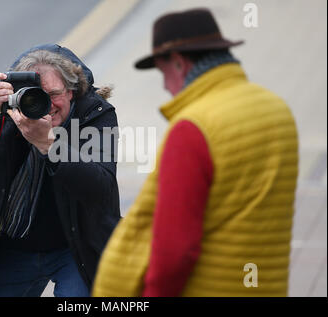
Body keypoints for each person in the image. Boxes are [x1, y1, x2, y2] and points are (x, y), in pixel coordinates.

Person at [93, 8, 298, 297]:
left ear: (178, 63)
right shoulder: (276, 109)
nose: (165, 85)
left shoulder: (193, 128)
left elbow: (175, 250)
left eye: (162, 72)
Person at [0, 44, 121, 297]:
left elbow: (100, 189)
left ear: (72, 92)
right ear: (17, 95)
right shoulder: (5, 113)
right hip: (10, 246)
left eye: (54, 94)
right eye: (36, 96)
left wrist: (49, 145)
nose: (46, 105)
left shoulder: (94, 114)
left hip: (77, 246)